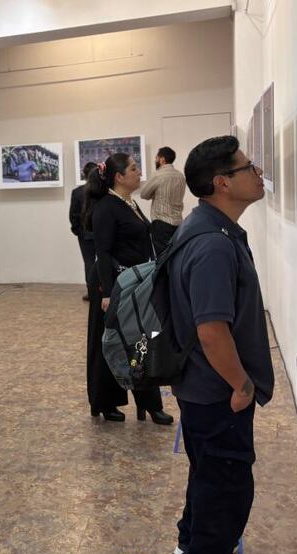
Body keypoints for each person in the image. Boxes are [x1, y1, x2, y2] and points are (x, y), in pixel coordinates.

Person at [168, 136, 272, 554]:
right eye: (249, 166)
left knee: (208, 471)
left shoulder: (206, 227)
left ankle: (192, 542)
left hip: (200, 385)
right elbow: (211, 331)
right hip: (216, 389)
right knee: (228, 481)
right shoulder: (212, 244)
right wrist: (241, 384)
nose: (258, 172)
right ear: (223, 183)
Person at [83, 154, 173, 425]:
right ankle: (105, 402)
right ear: (119, 177)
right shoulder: (105, 208)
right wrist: (107, 293)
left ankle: (149, 403)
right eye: (133, 169)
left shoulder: (128, 203)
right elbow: (103, 252)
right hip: (114, 285)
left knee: (142, 340)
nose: (139, 172)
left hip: (135, 282)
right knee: (111, 342)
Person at [140, 146, 187, 254]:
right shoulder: (180, 176)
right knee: (176, 255)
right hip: (178, 222)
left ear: (162, 159)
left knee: (163, 257)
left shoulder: (158, 175)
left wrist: (154, 195)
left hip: (161, 223)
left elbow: (144, 194)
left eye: (156, 157)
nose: (155, 160)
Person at [69, 162, 98, 302]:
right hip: (103, 233)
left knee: (89, 263)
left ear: (84, 175)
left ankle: (92, 292)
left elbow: (73, 215)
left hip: (85, 234)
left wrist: (78, 231)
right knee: (105, 261)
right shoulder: (103, 191)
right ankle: (106, 289)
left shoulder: (77, 192)